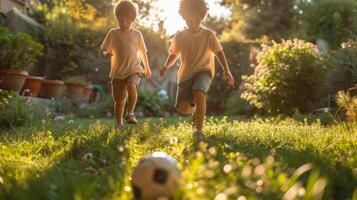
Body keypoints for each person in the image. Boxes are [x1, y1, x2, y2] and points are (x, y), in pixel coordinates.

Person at [160, 0, 235, 140]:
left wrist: (227, 70)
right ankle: (197, 110)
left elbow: (219, 52)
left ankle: (198, 130)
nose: (193, 23)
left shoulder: (208, 35)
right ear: (183, 16)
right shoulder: (180, 36)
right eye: (189, 20)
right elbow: (173, 54)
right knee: (183, 108)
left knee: (199, 91)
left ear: (202, 16)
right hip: (186, 75)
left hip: (204, 71)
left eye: (196, 19)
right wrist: (166, 66)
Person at [101, 0, 151, 129]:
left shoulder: (137, 34)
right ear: (117, 18)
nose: (124, 24)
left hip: (134, 68)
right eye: (121, 21)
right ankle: (119, 123)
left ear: (133, 20)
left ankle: (130, 113)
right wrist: (106, 54)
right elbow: (104, 49)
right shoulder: (113, 33)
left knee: (131, 85)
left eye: (127, 21)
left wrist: (147, 68)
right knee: (119, 100)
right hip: (118, 72)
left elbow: (143, 53)